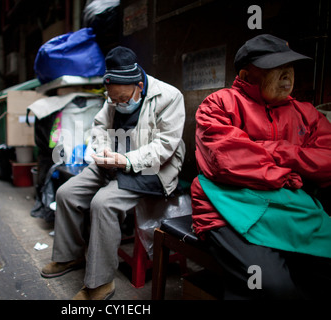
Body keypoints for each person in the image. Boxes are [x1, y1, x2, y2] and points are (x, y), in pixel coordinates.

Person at [191, 34, 331, 299]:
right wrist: (292, 171)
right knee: (269, 283)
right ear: (247, 74)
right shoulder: (219, 103)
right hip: (225, 207)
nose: (287, 75)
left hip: (290, 206)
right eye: (276, 69)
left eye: (289, 68)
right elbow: (226, 161)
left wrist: (276, 152)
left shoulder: (305, 112)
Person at [41, 46, 186, 300]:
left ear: (139, 86)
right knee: (66, 193)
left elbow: (164, 147)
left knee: (103, 203)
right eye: (113, 100)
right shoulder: (114, 97)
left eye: (123, 99)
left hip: (153, 168)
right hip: (115, 162)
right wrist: (104, 152)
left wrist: (126, 160)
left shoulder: (169, 97)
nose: (118, 104)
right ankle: (69, 256)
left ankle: (101, 283)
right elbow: (99, 126)